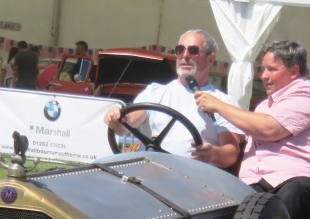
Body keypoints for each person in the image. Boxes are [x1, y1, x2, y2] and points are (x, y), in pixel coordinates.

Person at [194, 39, 310, 219]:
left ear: (294, 71)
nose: (264, 76)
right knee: (219, 202)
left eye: (272, 69)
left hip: (307, 181)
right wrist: (214, 151)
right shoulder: (264, 106)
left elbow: (268, 128)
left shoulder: (309, 94)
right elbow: (250, 132)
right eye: (263, 69)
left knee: (288, 196)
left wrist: (219, 105)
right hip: (261, 184)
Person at [103, 28, 242, 169]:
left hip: (193, 177)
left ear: (210, 59)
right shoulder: (155, 92)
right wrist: (117, 117)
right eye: (179, 50)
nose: (185, 55)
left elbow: (231, 153)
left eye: (193, 50)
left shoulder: (223, 103)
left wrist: (213, 154)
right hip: (148, 174)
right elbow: (126, 124)